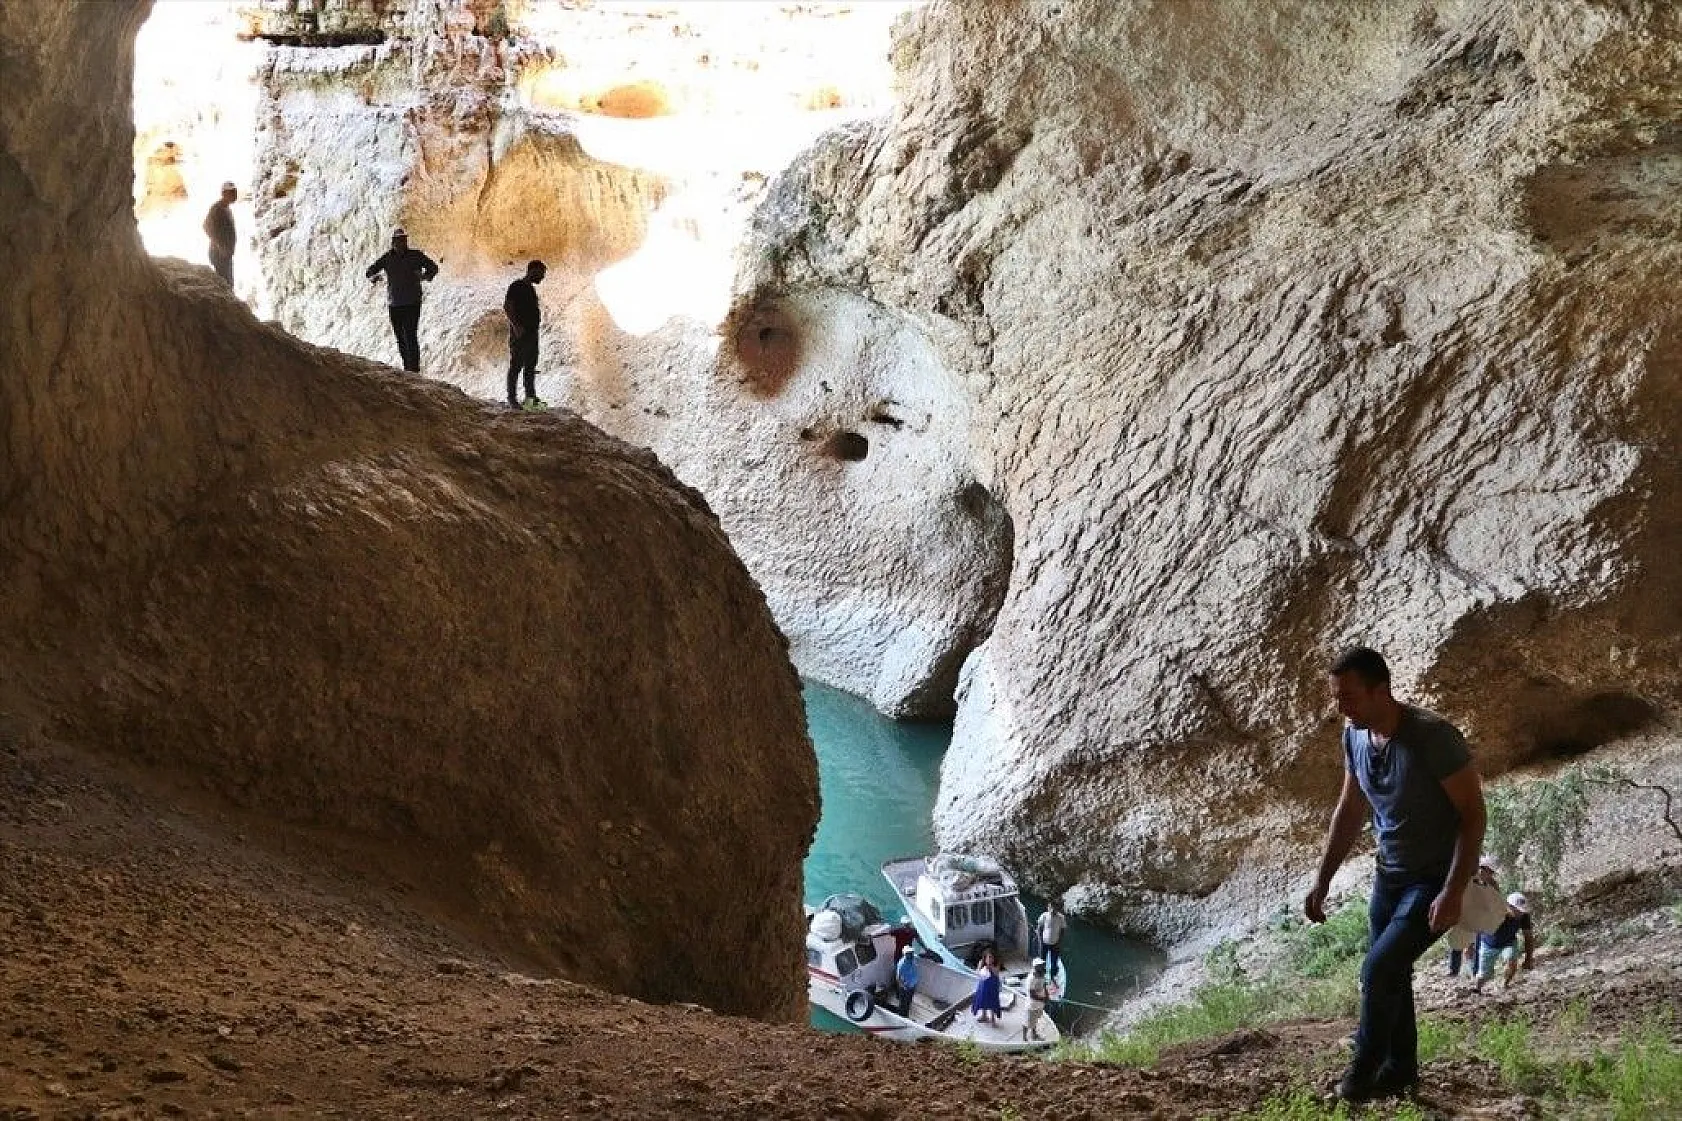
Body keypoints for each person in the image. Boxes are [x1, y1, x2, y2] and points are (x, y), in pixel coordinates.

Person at [1304, 646, 1486, 1103]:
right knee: (1393, 972)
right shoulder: (1355, 735)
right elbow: (1350, 809)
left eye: (1348, 697)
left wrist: (1453, 889)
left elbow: (1473, 815)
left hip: (1433, 878)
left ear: (1380, 689)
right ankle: (1400, 1068)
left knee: (1380, 967)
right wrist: (1322, 879)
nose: (1340, 708)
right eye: (1336, 697)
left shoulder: (1433, 738)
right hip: (1390, 875)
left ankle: (1362, 1071)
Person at [365, 228, 438, 372]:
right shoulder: (387, 258)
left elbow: (433, 268)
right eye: (398, 240)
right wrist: (373, 277)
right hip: (395, 303)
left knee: (410, 335)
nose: (402, 242)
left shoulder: (416, 256)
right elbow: (370, 271)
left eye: (404, 239)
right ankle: (407, 369)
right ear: (393, 242)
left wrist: (424, 276)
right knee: (400, 338)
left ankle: (414, 370)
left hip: (412, 302)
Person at [503, 259, 547, 409]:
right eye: (541, 273)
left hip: (531, 333)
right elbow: (508, 306)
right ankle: (512, 399)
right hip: (521, 333)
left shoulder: (529, 288)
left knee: (530, 366)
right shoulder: (517, 286)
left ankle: (530, 399)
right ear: (533, 270)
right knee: (516, 365)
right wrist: (516, 327)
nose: (542, 277)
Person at [1448, 857, 1502, 976]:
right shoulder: (1469, 877)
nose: (1490, 874)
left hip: (1480, 917)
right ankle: (1453, 970)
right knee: (1458, 939)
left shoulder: (1492, 884)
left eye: (1491, 872)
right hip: (1465, 914)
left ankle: (1475, 971)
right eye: (1489, 871)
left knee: (1477, 944)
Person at [1475, 892, 1535, 991]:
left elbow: (1528, 937)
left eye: (1522, 911)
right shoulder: (1495, 913)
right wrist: (1470, 946)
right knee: (1484, 974)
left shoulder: (1524, 916)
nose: (1520, 914)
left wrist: (1529, 958)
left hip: (1509, 942)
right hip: (1488, 945)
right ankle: (1477, 989)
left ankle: (1504, 985)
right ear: (1509, 906)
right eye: (1517, 910)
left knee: (1511, 961)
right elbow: (1478, 928)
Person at [203, 181, 237, 285]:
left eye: (235, 191)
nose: (234, 194)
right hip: (219, 253)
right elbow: (206, 226)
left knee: (228, 283)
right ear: (223, 194)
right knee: (225, 283)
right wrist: (219, 246)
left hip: (226, 253)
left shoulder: (226, 208)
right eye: (231, 192)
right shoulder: (217, 209)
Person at [1036, 899, 1066, 982]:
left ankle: (1053, 978)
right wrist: (1040, 941)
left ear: (1057, 908)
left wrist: (1059, 942)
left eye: (1054, 908)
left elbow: (1063, 930)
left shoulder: (1061, 918)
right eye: (1051, 907)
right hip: (1044, 943)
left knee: (1054, 963)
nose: (1052, 910)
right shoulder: (1044, 916)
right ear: (1048, 908)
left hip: (1055, 943)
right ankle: (1041, 978)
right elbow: (1039, 928)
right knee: (1042, 961)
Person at [970, 953, 1002, 1027]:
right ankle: (984, 1015)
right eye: (989, 957)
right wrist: (983, 968)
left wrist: (990, 967)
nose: (990, 959)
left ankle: (992, 1018)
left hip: (993, 985)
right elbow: (977, 972)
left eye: (992, 957)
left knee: (992, 1001)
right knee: (983, 999)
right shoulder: (981, 962)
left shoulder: (996, 963)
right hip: (983, 985)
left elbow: (996, 973)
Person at [1023, 958, 1051, 1041]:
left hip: (1040, 1003)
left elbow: (1044, 986)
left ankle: (1034, 1034)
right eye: (1041, 966)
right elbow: (1032, 995)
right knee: (1027, 1022)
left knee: (1035, 1019)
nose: (1043, 967)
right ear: (1036, 967)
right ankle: (1024, 1038)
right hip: (1032, 1004)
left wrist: (1047, 995)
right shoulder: (1031, 979)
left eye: (1043, 965)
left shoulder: (1042, 974)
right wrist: (1043, 999)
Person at [893, 945, 919, 1017]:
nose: (911, 954)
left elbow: (915, 973)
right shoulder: (902, 964)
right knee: (903, 1003)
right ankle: (901, 1016)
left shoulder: (913, 960)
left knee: (908, 1002)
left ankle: (906, 1015)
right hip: (905, 987)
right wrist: (904, 986)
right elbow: (898, 978)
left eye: (911, 952)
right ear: (905, 954)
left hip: (912, 986)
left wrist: (915, 984)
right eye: (909, 953)